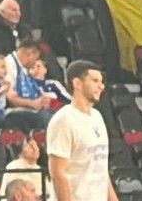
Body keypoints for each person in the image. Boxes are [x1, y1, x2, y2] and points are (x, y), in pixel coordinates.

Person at [45, 60, 115, 201]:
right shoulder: (63, 120)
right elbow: (58, 174)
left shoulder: (97, 116)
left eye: (101, 81)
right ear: (77, 83)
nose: (101, 86)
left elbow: (101, 169)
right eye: (95, 81)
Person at [2, 38, 52, 131]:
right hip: (13, 112)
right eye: (36, 58)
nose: (35, 63)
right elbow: (11, 98)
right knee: (47, 119)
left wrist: (43, 100)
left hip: (31, 109)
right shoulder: (8, 65)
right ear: (30, 53)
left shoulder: (24, 68)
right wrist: (33, 103)